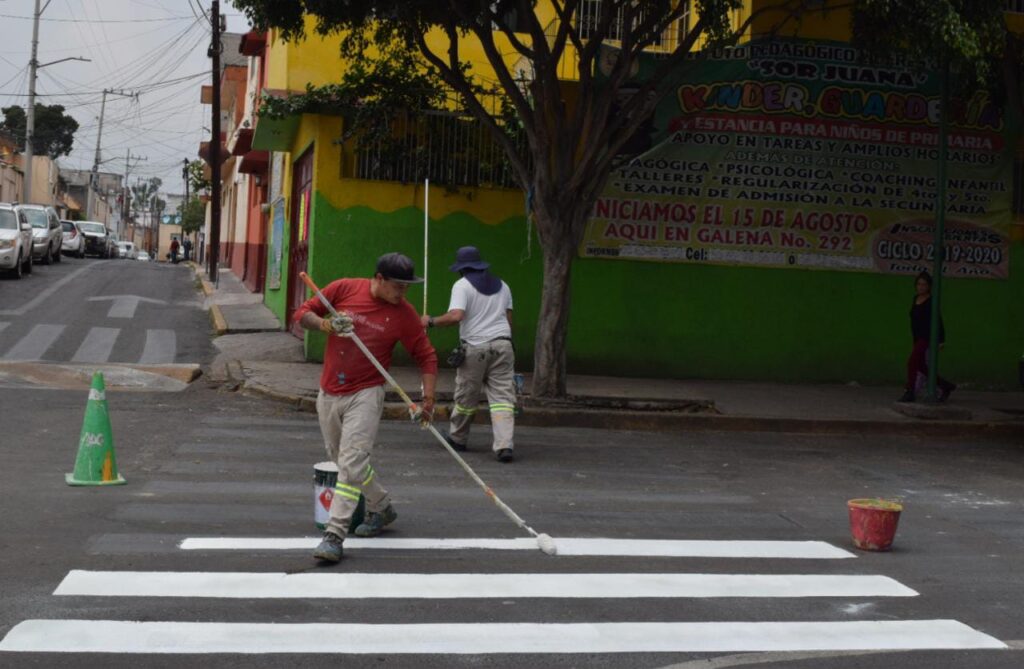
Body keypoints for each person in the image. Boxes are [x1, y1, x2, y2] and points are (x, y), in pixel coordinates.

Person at [294, 252, 438, 563]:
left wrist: (428, 400)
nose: (402, 293)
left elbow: (426, 356)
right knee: (344, 460)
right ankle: (381, 506)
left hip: (367, 393)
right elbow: (302, 313)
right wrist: (326, 324)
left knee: (350, 464)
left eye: (407, 287)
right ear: (379, 279)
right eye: (397, 286)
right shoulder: (344, 289)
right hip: (330, 390)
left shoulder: (404, 315)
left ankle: (334, 534)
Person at [422, 246, 516, 463]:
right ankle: (504, 445)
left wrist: (431, 321)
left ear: (462, 269)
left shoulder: (462, 285)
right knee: (502, 399)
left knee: (467, 397)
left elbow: (456, 316)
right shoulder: (503, 285)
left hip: (475, 347)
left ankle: (458, 438)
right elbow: (509, 319)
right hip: (503, 345)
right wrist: (509, 345)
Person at [899, 270, 956, 403]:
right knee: (921, 366)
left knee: (912, 362)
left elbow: (938, 320)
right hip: (917, 336)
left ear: (929, 286)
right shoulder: (915, 299)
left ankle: (910, 391)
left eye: (924, 284)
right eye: (919, 284)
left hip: (926, 337)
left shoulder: (931, 301)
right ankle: (945, 385)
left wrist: (941, 339)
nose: (921, 287)